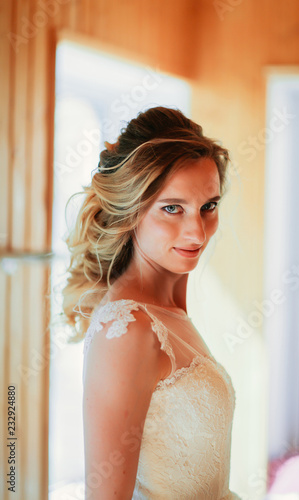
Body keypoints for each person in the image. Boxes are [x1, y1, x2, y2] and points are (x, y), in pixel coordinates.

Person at [62, 106, 241, 499]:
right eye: (172, 208)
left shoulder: (169, 312)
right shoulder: (127, 328)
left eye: (208, 206)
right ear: (133, 210)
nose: (197, 231)